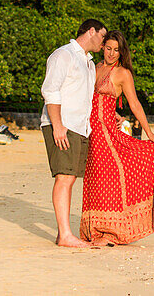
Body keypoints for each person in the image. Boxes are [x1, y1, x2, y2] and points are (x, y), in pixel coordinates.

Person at [80, 31, 154, 245]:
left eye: (116, 50)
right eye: (108, 48)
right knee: (93, 180)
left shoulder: (122, 73)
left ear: (122, 52)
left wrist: (149, 132)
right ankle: (94, 230)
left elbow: (134, 103)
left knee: (108, 179)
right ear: (103, 47)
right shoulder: (93, 67)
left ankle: (110, 232)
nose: (112, 53)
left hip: (107, 134)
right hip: (88, 130)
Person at [41, 18, 107, 247]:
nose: (104, 41)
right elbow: (50, 91)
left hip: (80, 127)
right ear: (91, 31)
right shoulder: (64, 55)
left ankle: (65, 234)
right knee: (64, 176)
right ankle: (65, 235)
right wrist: (58, 126)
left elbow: (85, 97)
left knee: (70, 179)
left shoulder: (88, 63)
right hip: (63, 125)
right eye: (102, 35)